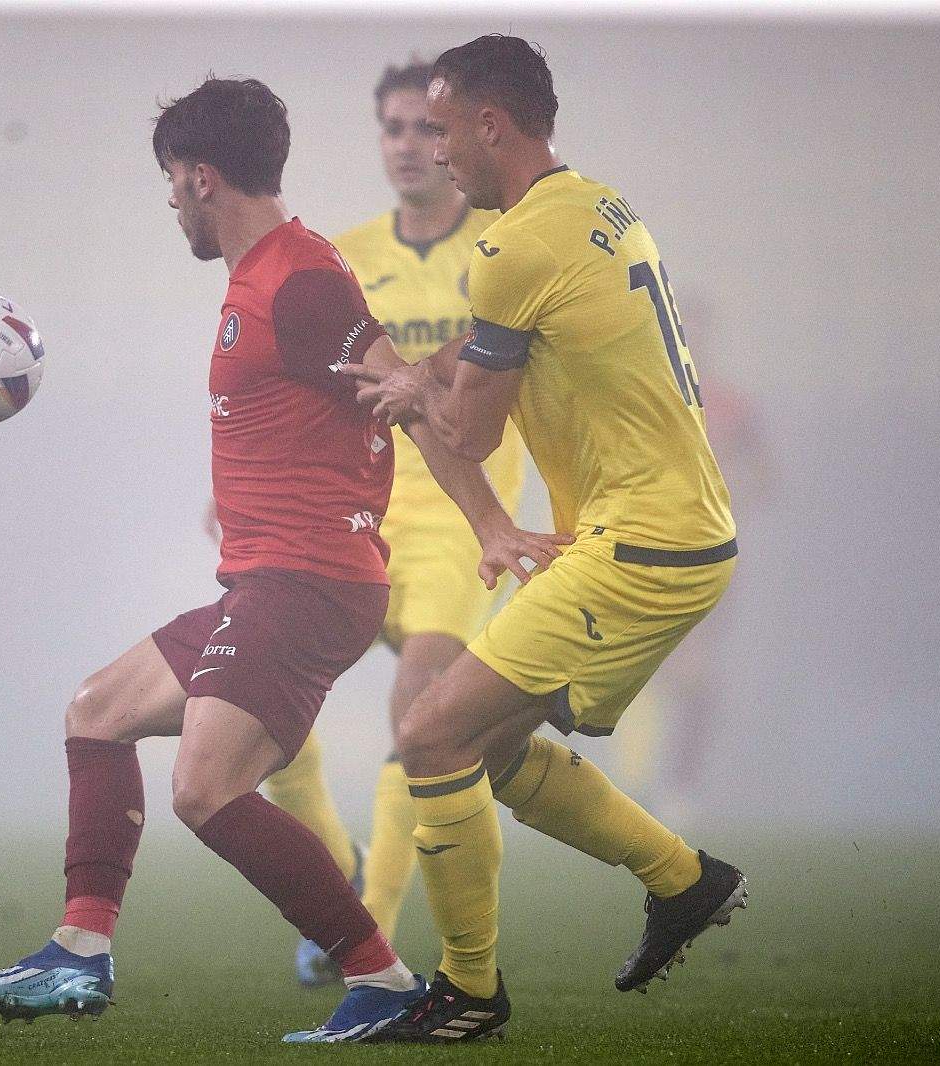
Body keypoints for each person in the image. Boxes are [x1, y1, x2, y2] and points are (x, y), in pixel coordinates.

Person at [0, 76, 556, 1045]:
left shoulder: (300, 279)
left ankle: (382, 975)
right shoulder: (266, 276)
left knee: (206, 788)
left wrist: (486, 522)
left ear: (198, 177)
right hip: (271, 581)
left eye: (169, 182)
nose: (168, 201)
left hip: (308, 582)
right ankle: (78, 948)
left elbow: (401, 395)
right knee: (96, 713)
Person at [343, 35, 749, 1042]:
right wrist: (432, 376)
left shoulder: (509, 247)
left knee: (432, 734)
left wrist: (406, 392)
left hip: (641, 544)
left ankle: (466, 994)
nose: (435, 153)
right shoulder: (597, 206)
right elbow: (511, 352)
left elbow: (472, 427)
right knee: (487, 744)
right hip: (670, 531)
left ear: (490, 125)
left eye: (442, 129)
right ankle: (682, 880)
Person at [257, 60, 529, 987]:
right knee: (262, 703)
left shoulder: (505, 246)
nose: (412, 146)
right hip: (355, 506)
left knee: (419, 714)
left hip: (460, 513)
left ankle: (361, 928)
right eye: (394, 129)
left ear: (458, 139)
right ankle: (337, 871)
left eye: (426, 128)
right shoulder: (345, 255)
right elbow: (304, 384)